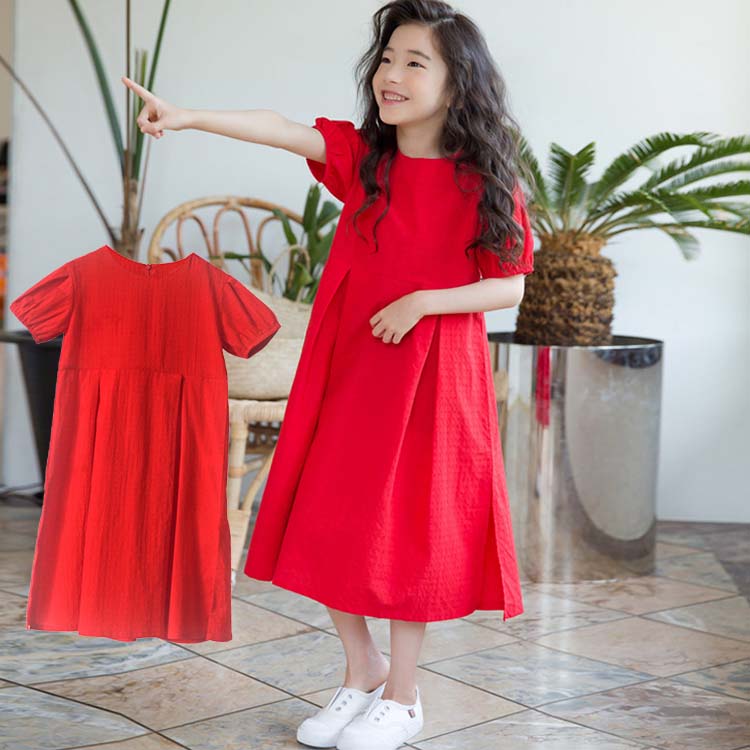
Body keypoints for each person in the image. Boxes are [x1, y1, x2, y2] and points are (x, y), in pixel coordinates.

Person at [123, 1, 534, 747]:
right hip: (349, 364)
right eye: (387, 59)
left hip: (432, 377)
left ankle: (404, 696)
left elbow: (509, 286)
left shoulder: (484, 182)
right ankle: (361, 668)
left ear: (458, 83)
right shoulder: (365, 159)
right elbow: (281, 128)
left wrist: (423, 302)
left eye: (415, 62)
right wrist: (187, 117)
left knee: (409, 527)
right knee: (326, 512)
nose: (392, 75)